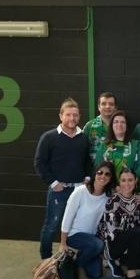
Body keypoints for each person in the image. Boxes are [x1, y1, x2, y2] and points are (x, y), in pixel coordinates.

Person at [34, 97, 91, 259]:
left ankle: (71, 260)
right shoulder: (48, 137)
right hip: (59, 191)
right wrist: (53, 183)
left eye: (75, 115)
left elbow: (87, 161)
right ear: (61, 116)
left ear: (79, 117)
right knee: (51, 226)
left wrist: (87, 178)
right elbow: (39, 163)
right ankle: (46, 261)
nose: (72, 118)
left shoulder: (83, 137)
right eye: (68, 115)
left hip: (79, 190)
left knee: (76, 226)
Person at [60, 161, 116, 279]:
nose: (103, 176)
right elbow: (67, 216)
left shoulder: (108, 197)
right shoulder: (80, 191)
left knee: (96, 274)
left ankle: (80, 258)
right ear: (95, 173)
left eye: (107, 174)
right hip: (73, 235)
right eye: (100, 172)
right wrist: (63, 243)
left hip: (91, 239)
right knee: (98, 245)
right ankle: (78, 266)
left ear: (111, 178)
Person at [98, 168, 140, 279]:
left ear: (135, 181)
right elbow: (111, 233)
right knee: (138, 231)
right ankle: (130, 276)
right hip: (113, 246)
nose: (127, 184)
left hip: (130, 243)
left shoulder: (138, 200)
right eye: (123, 180)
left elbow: (138, 224)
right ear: (119, 182)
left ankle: (122, 262)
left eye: (130, 180)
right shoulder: (113, 201)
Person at [95, 110, 140, 191]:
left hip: (131, 191)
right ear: (111, 125)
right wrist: (114, 187)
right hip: (108, 191)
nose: (119, 124)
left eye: (123, 122)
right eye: (115, 122)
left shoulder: (137, 145)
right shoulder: (104, 146)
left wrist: (127, 186)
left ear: (127, 126)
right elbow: (98, 166)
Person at [84, 92, 116, 164]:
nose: (107, 106)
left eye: (111, 104)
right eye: (104, 104)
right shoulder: (90, 126)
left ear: (115, 107)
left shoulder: (120, 125)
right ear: (99, 107)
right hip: (94, 170)